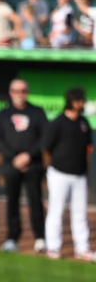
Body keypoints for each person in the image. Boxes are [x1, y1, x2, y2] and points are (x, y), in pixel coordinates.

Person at [0, 79, 48, 254]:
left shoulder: (37, 112)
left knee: (35, 201)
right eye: (16, 90)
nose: (19, 94)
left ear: (27, 92)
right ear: (10, 92)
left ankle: (40, 237)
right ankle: (12, 238)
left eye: (23, 90)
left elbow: (44, 138)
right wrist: (14, 158)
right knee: (12, 202)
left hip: (33, 165)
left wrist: (28, 156)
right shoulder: (3, 114)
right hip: (11, 165)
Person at [42, 88, 94, 261]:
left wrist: (85, 176)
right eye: (80, 100)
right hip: (59, 174)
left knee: (80, 213)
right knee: (56, 211)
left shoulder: (84, 123)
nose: (83, 103)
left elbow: (87, 150)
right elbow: (45, 148)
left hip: (79, 176)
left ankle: (83, 248)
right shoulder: (58, 122)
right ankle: (53, 248)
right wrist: (49, 170)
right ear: (72, 102)